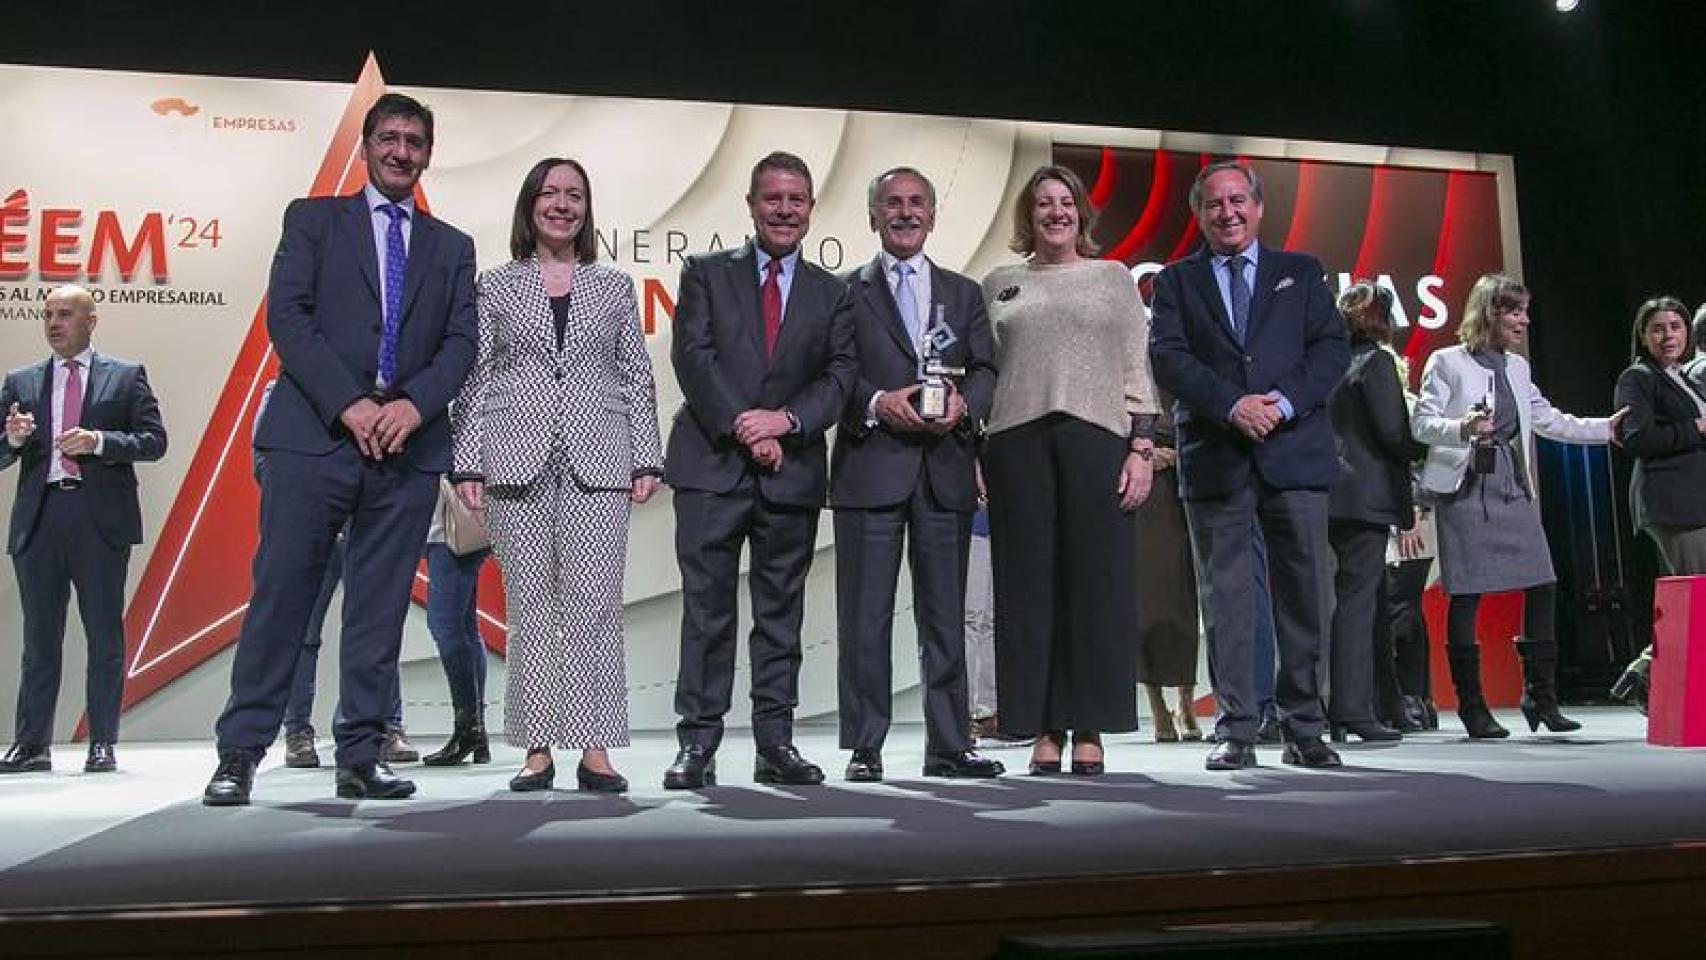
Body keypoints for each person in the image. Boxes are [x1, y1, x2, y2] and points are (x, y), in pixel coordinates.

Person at [205, 92, 477, 805]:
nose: (401, 152)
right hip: (315, 441)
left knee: (379, 610)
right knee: (282, 599)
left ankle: (360, 751)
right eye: (388, 138)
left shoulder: (451, 246)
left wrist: (415, 406)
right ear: (365, 147)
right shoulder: (314, 220)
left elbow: (461, 343)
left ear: (428, 153)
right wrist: (350, 404)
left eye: (415, 142)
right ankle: (239, 752)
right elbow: (287, 318)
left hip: (406, 450)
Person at [451, 156, 662, 793]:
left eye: (575, 194)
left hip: (600, 459)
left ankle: (595, 748)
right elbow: (477, 376)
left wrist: (646, 456)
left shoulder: (614, 286)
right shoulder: (495, 284)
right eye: (550, 194)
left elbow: (635, 373)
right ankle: (536, 749)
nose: (562, 205)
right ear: (530, 204)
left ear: (586, 207)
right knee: (532, 609)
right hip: (515, 460)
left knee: (595, 608)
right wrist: (467, 460)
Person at [662, 151, 855, 789]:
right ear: (751, 205)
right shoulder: (706, 273)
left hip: (791, 472)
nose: (784, 210)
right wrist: (747, 424)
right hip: (712, 464)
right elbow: (693, 356)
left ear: (810, 209)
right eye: (772, 198)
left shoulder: (835, 292)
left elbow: (839, 377)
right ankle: (698, 744)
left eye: (796, 199)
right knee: (707, 611)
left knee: (781, 615)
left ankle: (775, 742)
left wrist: (784, 423)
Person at [1149, 160, 1349, 771]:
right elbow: (1169, 359)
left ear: (1259, 208)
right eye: (1215, 204)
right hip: (1217, 457)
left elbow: (1330, 349)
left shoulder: (1301, 272)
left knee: (1306, 597)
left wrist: (1280, 404)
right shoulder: (1178, 282)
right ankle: (1237, 728)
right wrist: (1232, 406)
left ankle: (1306, 728)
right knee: (1229, 602)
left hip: (1295, 455)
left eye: (1238, 201)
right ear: (1199, 214)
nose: (1228, 212)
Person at [981, 164, 1159, 777]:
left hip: (1097, 439)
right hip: (1015, 443)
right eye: (1042, 204)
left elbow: (1138, 364)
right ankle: (1041, 728)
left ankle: (1089, 728)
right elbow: (987, 374)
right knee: (1028, 591)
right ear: (1027, 217)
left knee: (1096, 589)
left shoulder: (1112, 279)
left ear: (1082, 213)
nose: (1054, 212)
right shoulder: (999, 283)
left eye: (1065, 202)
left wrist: (1141, 447)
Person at [829, 166, 1002, 782]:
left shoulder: (963, 291)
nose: (905, 213)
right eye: (892, 204)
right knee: (865, 615)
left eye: (917, 203)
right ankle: (865, 747)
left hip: (944, 471)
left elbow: (984, 370)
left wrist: (965, 407)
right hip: (870, 470)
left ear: (932, 214)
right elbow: (835, 375)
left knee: (943, 615)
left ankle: (950, 744)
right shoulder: (844, 292)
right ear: (873, 217)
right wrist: (877, 403)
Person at [1411, 273, 1616, 739]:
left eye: (1525, 311)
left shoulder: (1518, 367)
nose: (1524, 320)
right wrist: (1462, 427)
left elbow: (1547, 419)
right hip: (1465, 488)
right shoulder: (1447, 362)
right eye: (1514, 311)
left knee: (1542, 582)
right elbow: (1423, 423)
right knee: (1466, 595)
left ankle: (1540, 698)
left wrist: (1607, 429)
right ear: (1490, 312)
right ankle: (1473, 707)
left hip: (1511, 486)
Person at [0, 285, 166, 775]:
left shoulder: (126, 376)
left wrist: (98, 441)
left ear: (91, 321)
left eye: (65, 314)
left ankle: (102, 743)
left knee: (104, 636)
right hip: (41, 516)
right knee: (40, 640)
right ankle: (32, 745)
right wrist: (10, 441)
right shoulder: (21, 380)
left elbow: (154, 441)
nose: (54, 323)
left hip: (99, 519)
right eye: (47, 314)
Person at [1325, 282, 1423, 743]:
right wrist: (1432, 443)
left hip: (1327, 495)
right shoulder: (1376, 363)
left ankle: (1341, 708)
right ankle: (1352, 709)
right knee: (1358, 605)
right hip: (1365, 498)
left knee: (1341, 603)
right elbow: (1392, 434)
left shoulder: (1326, 365)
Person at [1608, 297, 1706, 713]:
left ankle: (1644, 672)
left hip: (1695, 500)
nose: (1668, 336)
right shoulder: (1638, 378)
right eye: (1658, 329)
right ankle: (1647, 671)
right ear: (1643, 336)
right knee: (1698, 598)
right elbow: (1637, 438)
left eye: (1675, 327)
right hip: (1672, 505)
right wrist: (1696, 427)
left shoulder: (1684, 378)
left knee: (1696, 600)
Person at [1135, 392, 1202, 743]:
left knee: (1184, 601)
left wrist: (1177, 456)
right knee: (1148, 600)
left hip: (1185, 495)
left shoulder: (1183, 374)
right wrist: (1141, 453)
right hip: (1144, 499)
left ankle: (1186, 701)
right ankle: (1157, 703)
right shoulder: (1132, 377)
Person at [417, 481, 492, 767]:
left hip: (449, 524)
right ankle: (475, 728)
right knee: (464, 628)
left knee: (445, 626)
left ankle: (469, 729)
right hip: (455, 520)